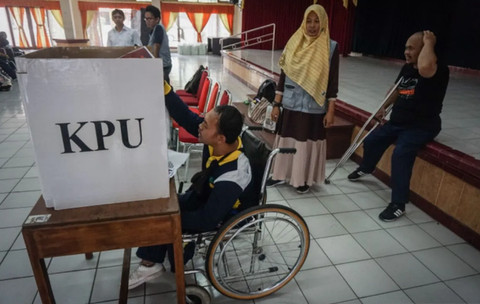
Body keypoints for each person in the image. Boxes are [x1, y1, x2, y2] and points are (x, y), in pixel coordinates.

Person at [128, 81, 253, 289]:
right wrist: (166, 89)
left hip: (223, 212)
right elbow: (186, 116)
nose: (200, 127)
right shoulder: (217, 143)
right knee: (162, 204)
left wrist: (171, 217)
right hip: (204, 195)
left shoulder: (234, 173)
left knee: (164, 218)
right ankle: (153, 258)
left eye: (205, 125)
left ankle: (150, 264)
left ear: (221, 138)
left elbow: (208, 219)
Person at [348, 30, 449, 221]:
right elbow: (396, 90)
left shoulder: (437, 68)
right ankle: (367, 167)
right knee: (372, 140)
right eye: (405, 48)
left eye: (411, 48)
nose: (406, 52)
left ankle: (398, 204)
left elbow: (425, 68)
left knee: (401, 154)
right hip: (398, 122)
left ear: (424, 49)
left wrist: (429, 42)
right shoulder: (407, 68)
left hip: (421, 126)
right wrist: (384, 106)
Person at [266, 4, 339, 194]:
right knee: (286, 140)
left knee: (306, 143)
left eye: (317, 21)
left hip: (314, 106)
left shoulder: (330, 47)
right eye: (309, 21)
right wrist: (276, 104)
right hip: (291, 102)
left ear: (323, 23)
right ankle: (279, 174)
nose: (312, 26)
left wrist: (331, 110)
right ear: (303, 22)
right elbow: (283, 77)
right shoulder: (294, 42)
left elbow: (332, 82)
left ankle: (303, 179)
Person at [144, 5, 172, 84]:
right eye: (146, 18)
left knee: (163, 90)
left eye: (150, 18)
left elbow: (157, 45)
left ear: (157, 19)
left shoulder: (158, 28)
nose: (147, 21)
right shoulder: (153, 30)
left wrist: (155, 64)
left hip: (162, 66)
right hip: (161, 64)